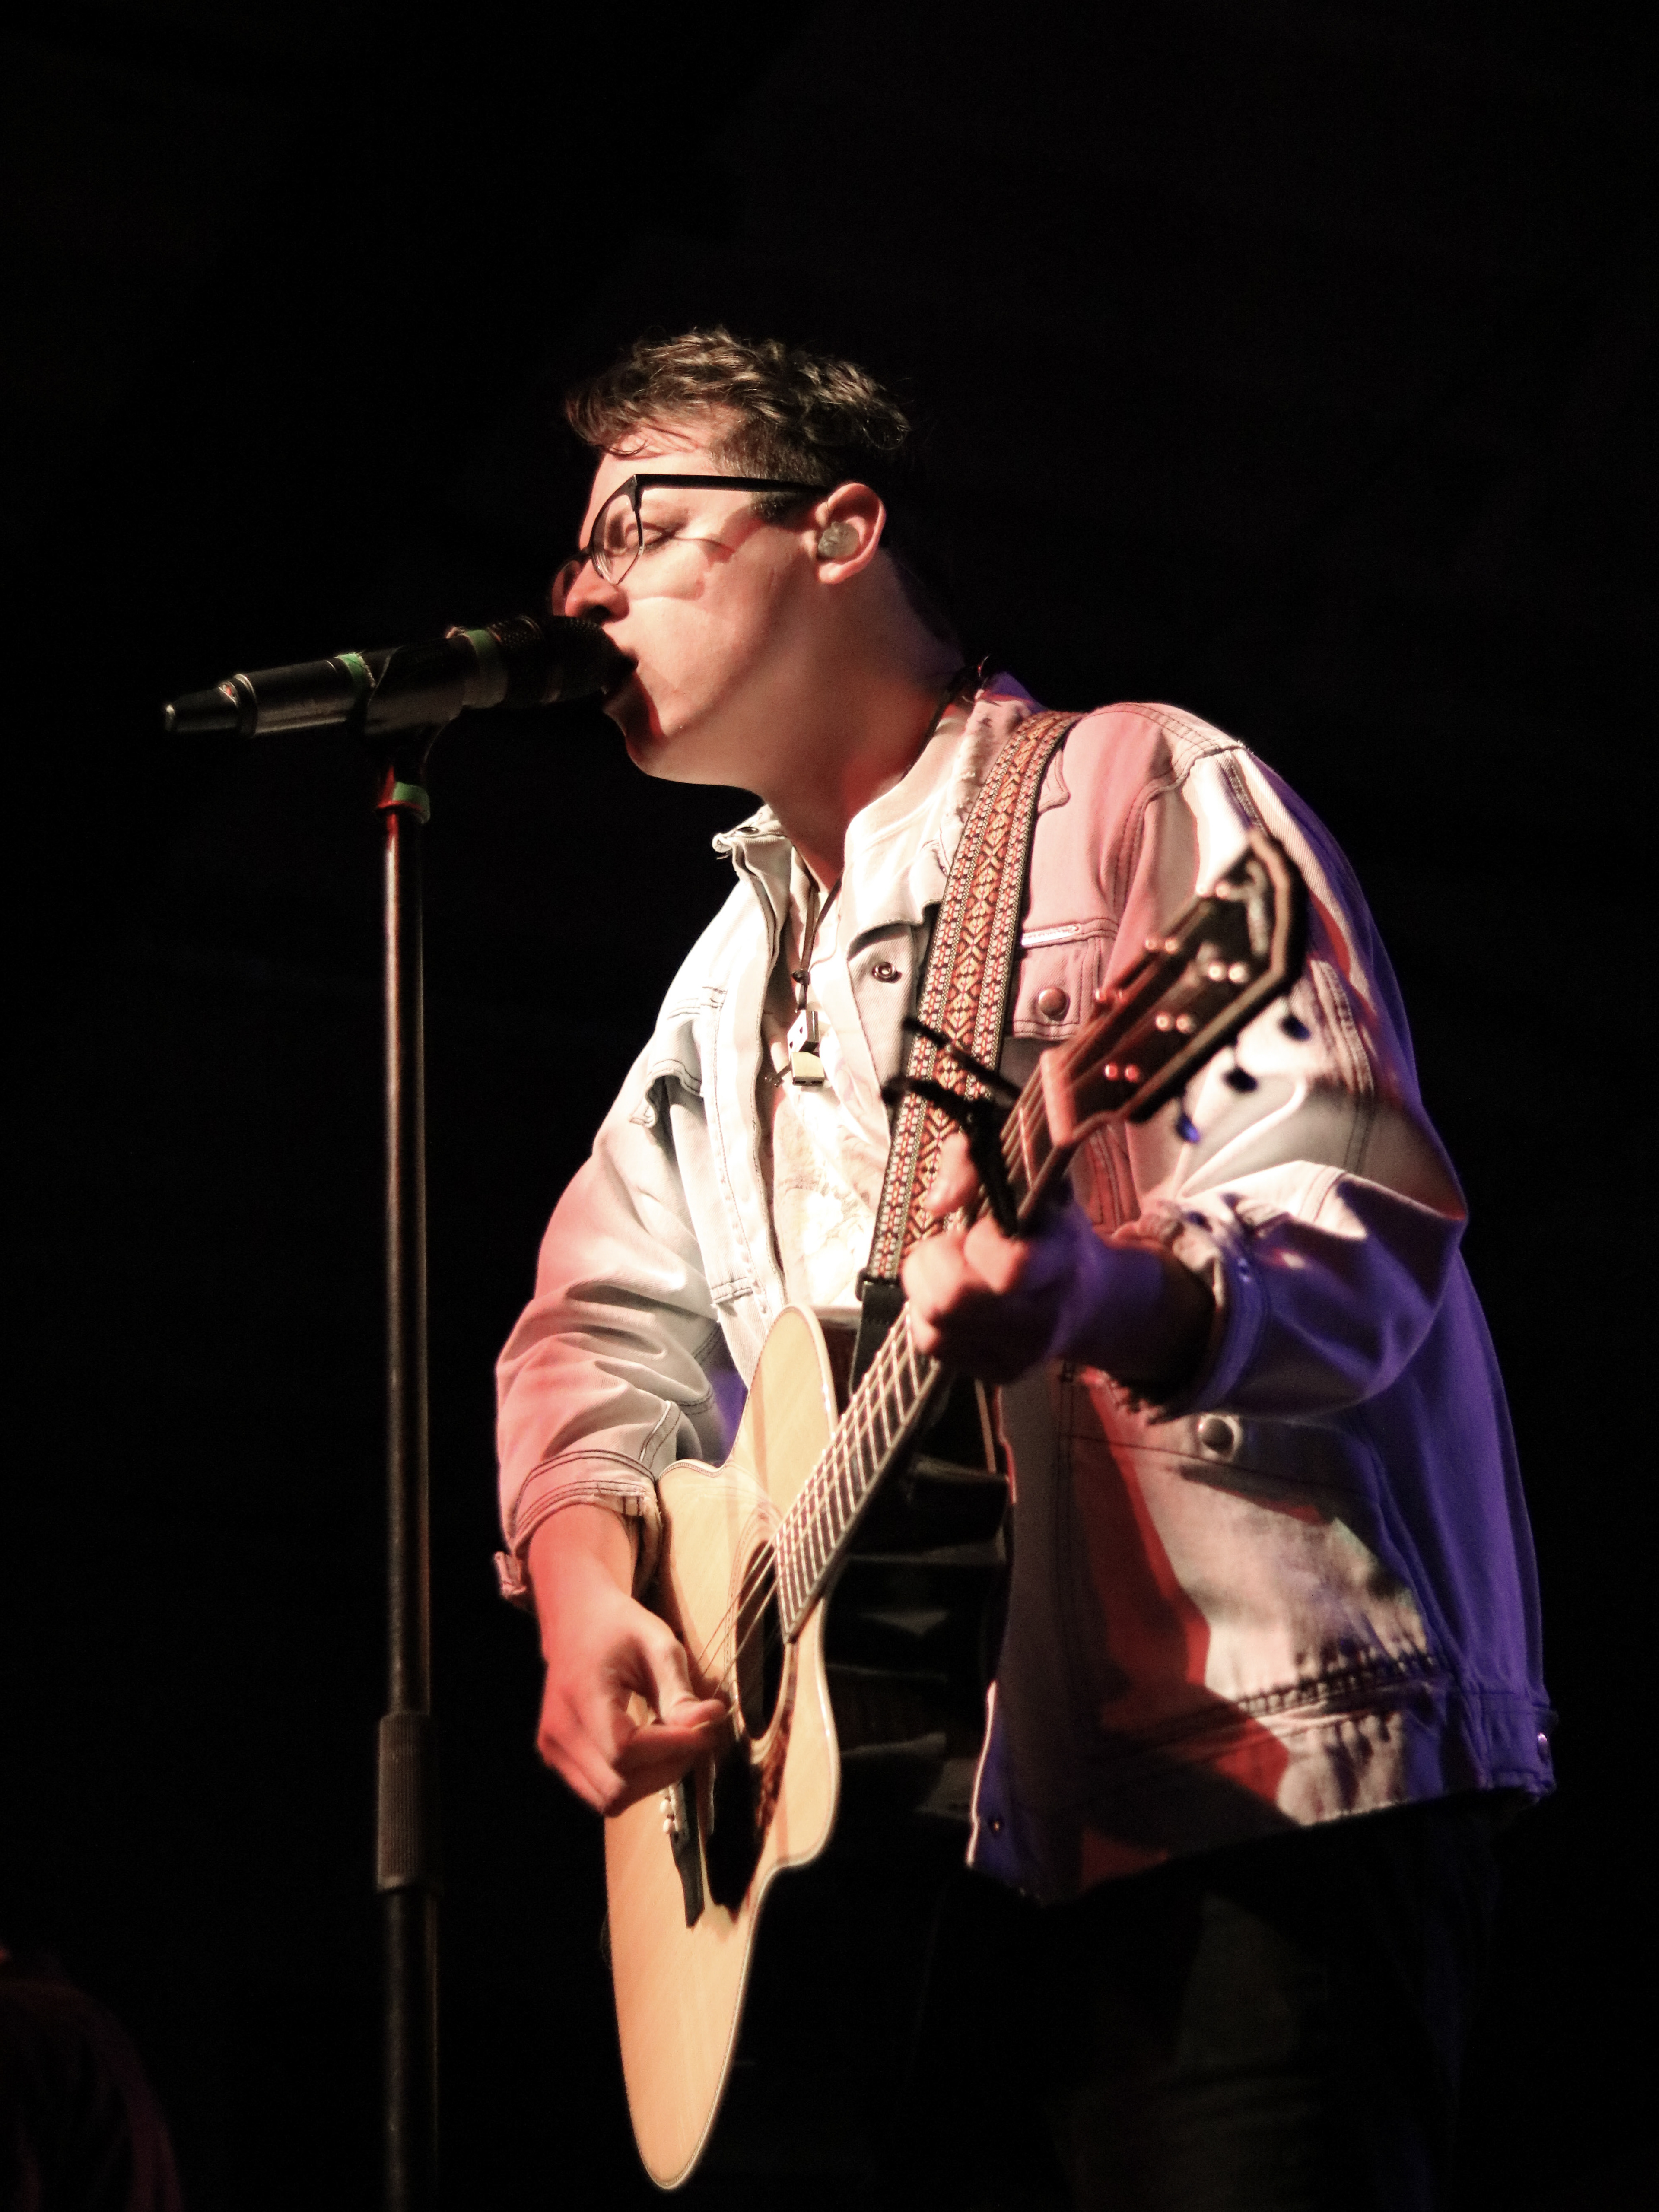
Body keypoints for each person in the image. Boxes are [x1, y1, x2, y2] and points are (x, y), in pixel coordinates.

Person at [494, 330, 1551, 2209]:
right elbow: (593, 1322)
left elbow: (1354, 1202)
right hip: (923, 1886)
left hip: (1254, 1797)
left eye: (635, 528)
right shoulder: (720, 995)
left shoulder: (1138, 788)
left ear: (840, 528)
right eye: (578, 551)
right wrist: (586, 1588)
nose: (581, 592)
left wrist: (1103, 1295)